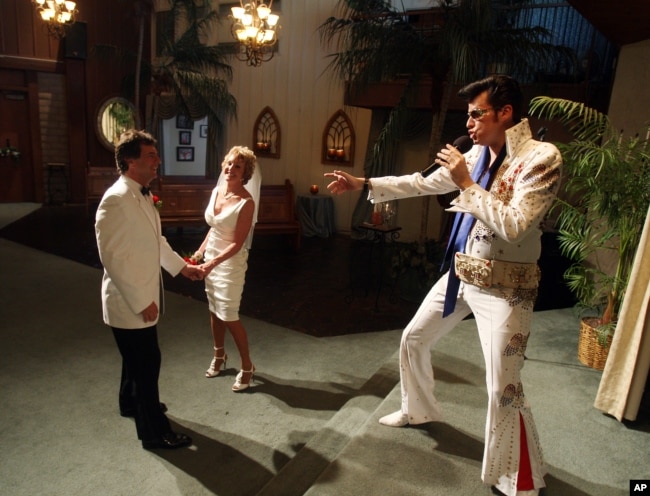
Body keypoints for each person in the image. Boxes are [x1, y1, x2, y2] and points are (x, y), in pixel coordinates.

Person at [325, 75, 561, 496]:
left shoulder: (542, 158)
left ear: (505, 113)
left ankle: (518, 481)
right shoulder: (473, 156)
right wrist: (363, 185)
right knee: (413, 337)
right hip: (461, 275)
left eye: (477, 114)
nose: (469, 123)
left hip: (507, 289)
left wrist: (467, 183)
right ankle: (417, 410)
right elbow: (420, 182)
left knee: (502, 386)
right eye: (468, 115)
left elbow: (515, 225)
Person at [95, 129, 203, 450]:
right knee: (147, 363)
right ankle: (155, 434)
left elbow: (157, 243)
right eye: (151, 156)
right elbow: (112, 258)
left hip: (138, 297)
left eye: (156, 155)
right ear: (130, 161)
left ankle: (129, 403)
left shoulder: (139, 193)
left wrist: (184, 267)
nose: (158, 161)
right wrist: (142, 300)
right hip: (129, 301)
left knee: (134, 360)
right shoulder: (115, 200)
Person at [193, 146, 261, 392]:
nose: (231, 168)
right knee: (213, 310)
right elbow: (214, 228)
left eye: (238, 166)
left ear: (245, 173)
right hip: (210, 258)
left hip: (229, 264)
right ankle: (219, 355)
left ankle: (247, 366)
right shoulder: (216, 191)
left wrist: (211, 263)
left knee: (229, 315)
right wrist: (200, 253)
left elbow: (236, 242)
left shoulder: (246, 202)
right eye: (229, 163)